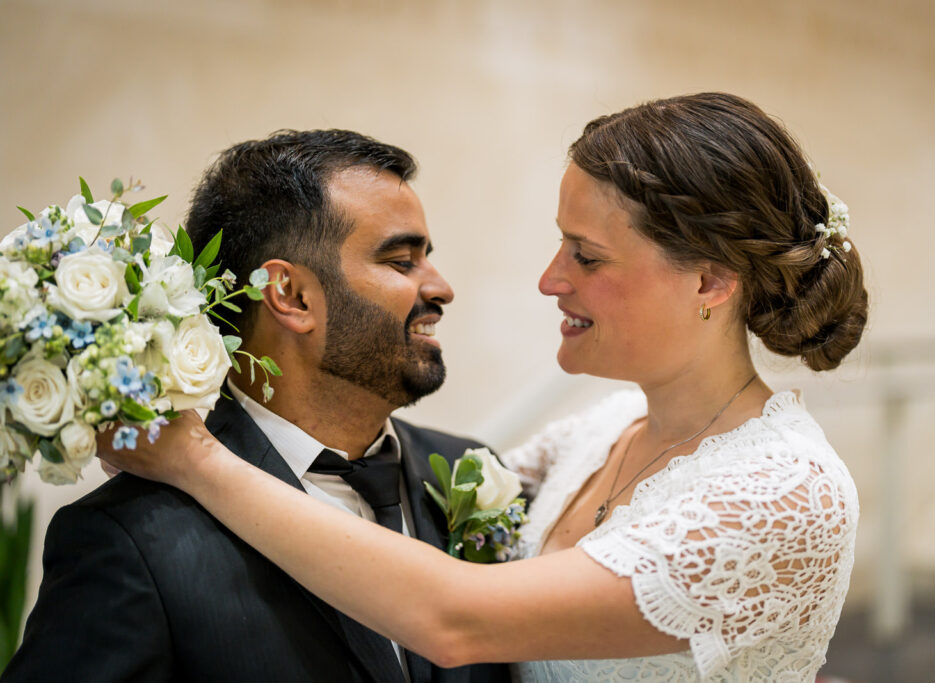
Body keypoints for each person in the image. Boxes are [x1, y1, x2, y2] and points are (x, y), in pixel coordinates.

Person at [98, 93, 868, 682]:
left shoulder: (786, 491)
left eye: (586, 255)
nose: (548, 278)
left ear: (708, 280)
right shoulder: (596, 433)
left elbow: (453, 616)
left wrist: (195, 458)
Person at [3, 130, 511, 683]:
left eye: (425, 259)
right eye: (401, 260)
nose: (441, 288)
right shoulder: (129, 539)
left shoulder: (470, 471)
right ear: (290, 296)